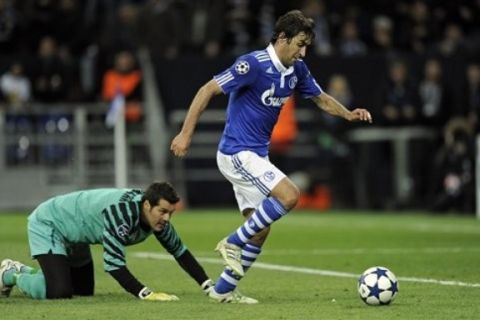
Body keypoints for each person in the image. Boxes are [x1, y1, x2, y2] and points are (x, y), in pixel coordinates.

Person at [170, 10, 372, 303]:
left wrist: (348, 114)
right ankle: (232, 242)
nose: (303, 52)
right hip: (237, 152)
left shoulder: (296, 69)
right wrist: (185, 134)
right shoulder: (253, 64)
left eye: (307, 46)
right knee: (290, 195)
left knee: (261, 230)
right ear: (281, 38)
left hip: (257, 156)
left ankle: (222, 291)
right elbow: (206, 90)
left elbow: (321, 98)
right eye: (300, 44)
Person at [0, 181, 213, 300]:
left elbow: (180, 252)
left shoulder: (155, 217)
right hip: (51, 222)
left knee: (82, 291)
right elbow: (113, 265)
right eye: (163, 212)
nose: (167, 218)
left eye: (170, 213)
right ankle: (11, 274)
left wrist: (209, 287)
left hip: (77, 233)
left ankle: (32, 272)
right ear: (147, 205)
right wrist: (145, 294)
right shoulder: (121, 214)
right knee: (59, 292)